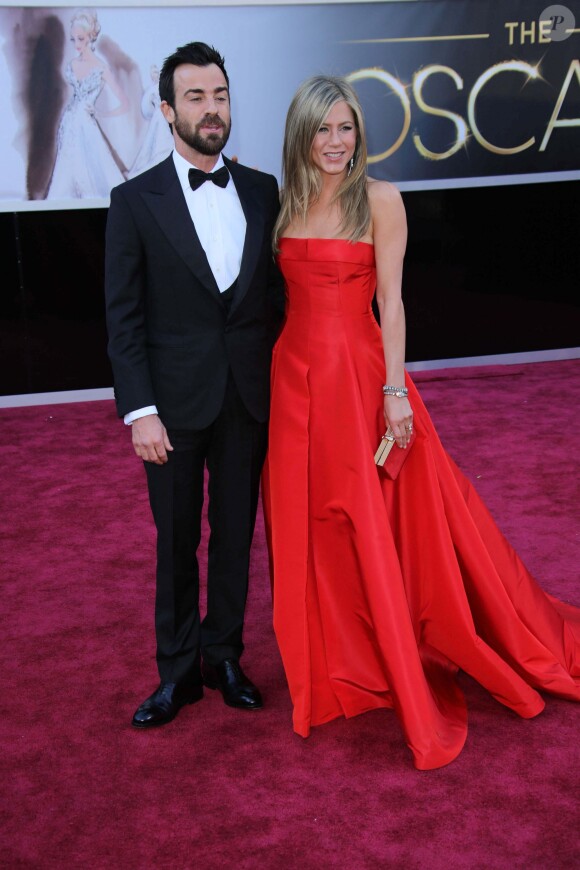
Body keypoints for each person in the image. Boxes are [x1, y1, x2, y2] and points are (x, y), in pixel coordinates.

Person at [262, 75, 580, 771]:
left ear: (359, 133)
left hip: (360, 382)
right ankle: (331, 662)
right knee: (308, 523)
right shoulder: (283, 203)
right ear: (302, 135)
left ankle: (400, 656)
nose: (336, 142)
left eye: (346, 128)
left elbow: (393, 304)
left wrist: (393, 393)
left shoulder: (379, 200)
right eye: (323, 129)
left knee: (384, 521)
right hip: (294, 386)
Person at [105, 42, 284, 728]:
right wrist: (140, 412)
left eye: (220, 96)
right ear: (166, 110)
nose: (212, 111)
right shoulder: (134, 200)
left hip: (246, 396)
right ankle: (176, 673)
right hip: (170, 407)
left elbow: (275, 298)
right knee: (176, 540)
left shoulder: (263, 191)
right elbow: (122, 318)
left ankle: (225, 655)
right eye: (196, 98)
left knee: (235, 534)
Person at [46, 8, 128, 199]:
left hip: (86, 125)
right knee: (65, 170)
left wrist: (103, 114)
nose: (76, 44)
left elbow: (124, 103)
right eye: (73, 39)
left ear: (91, 37)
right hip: (68, 123)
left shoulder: (101, 68)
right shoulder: (72, 64)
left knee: (94, 171)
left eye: (81, 39)